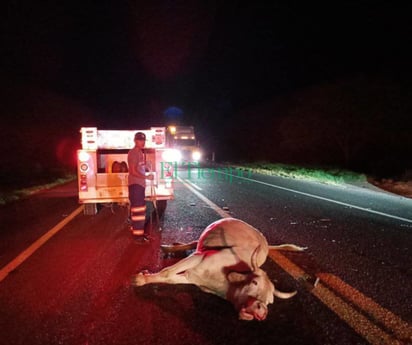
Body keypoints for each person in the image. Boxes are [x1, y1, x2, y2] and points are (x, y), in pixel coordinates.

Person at [127, 132, 154, 240]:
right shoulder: (133, 153)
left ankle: (139, 232)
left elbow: (139, 167)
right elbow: (133, 171)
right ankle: (138, 236)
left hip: (139, 186)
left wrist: (146, 164)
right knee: (138, 211)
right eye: (140, 140)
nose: (142, 142)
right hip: (135, 185)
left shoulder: (140, 153)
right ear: (135, 141)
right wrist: (146, 177)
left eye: (143, 140)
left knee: (140, 210)